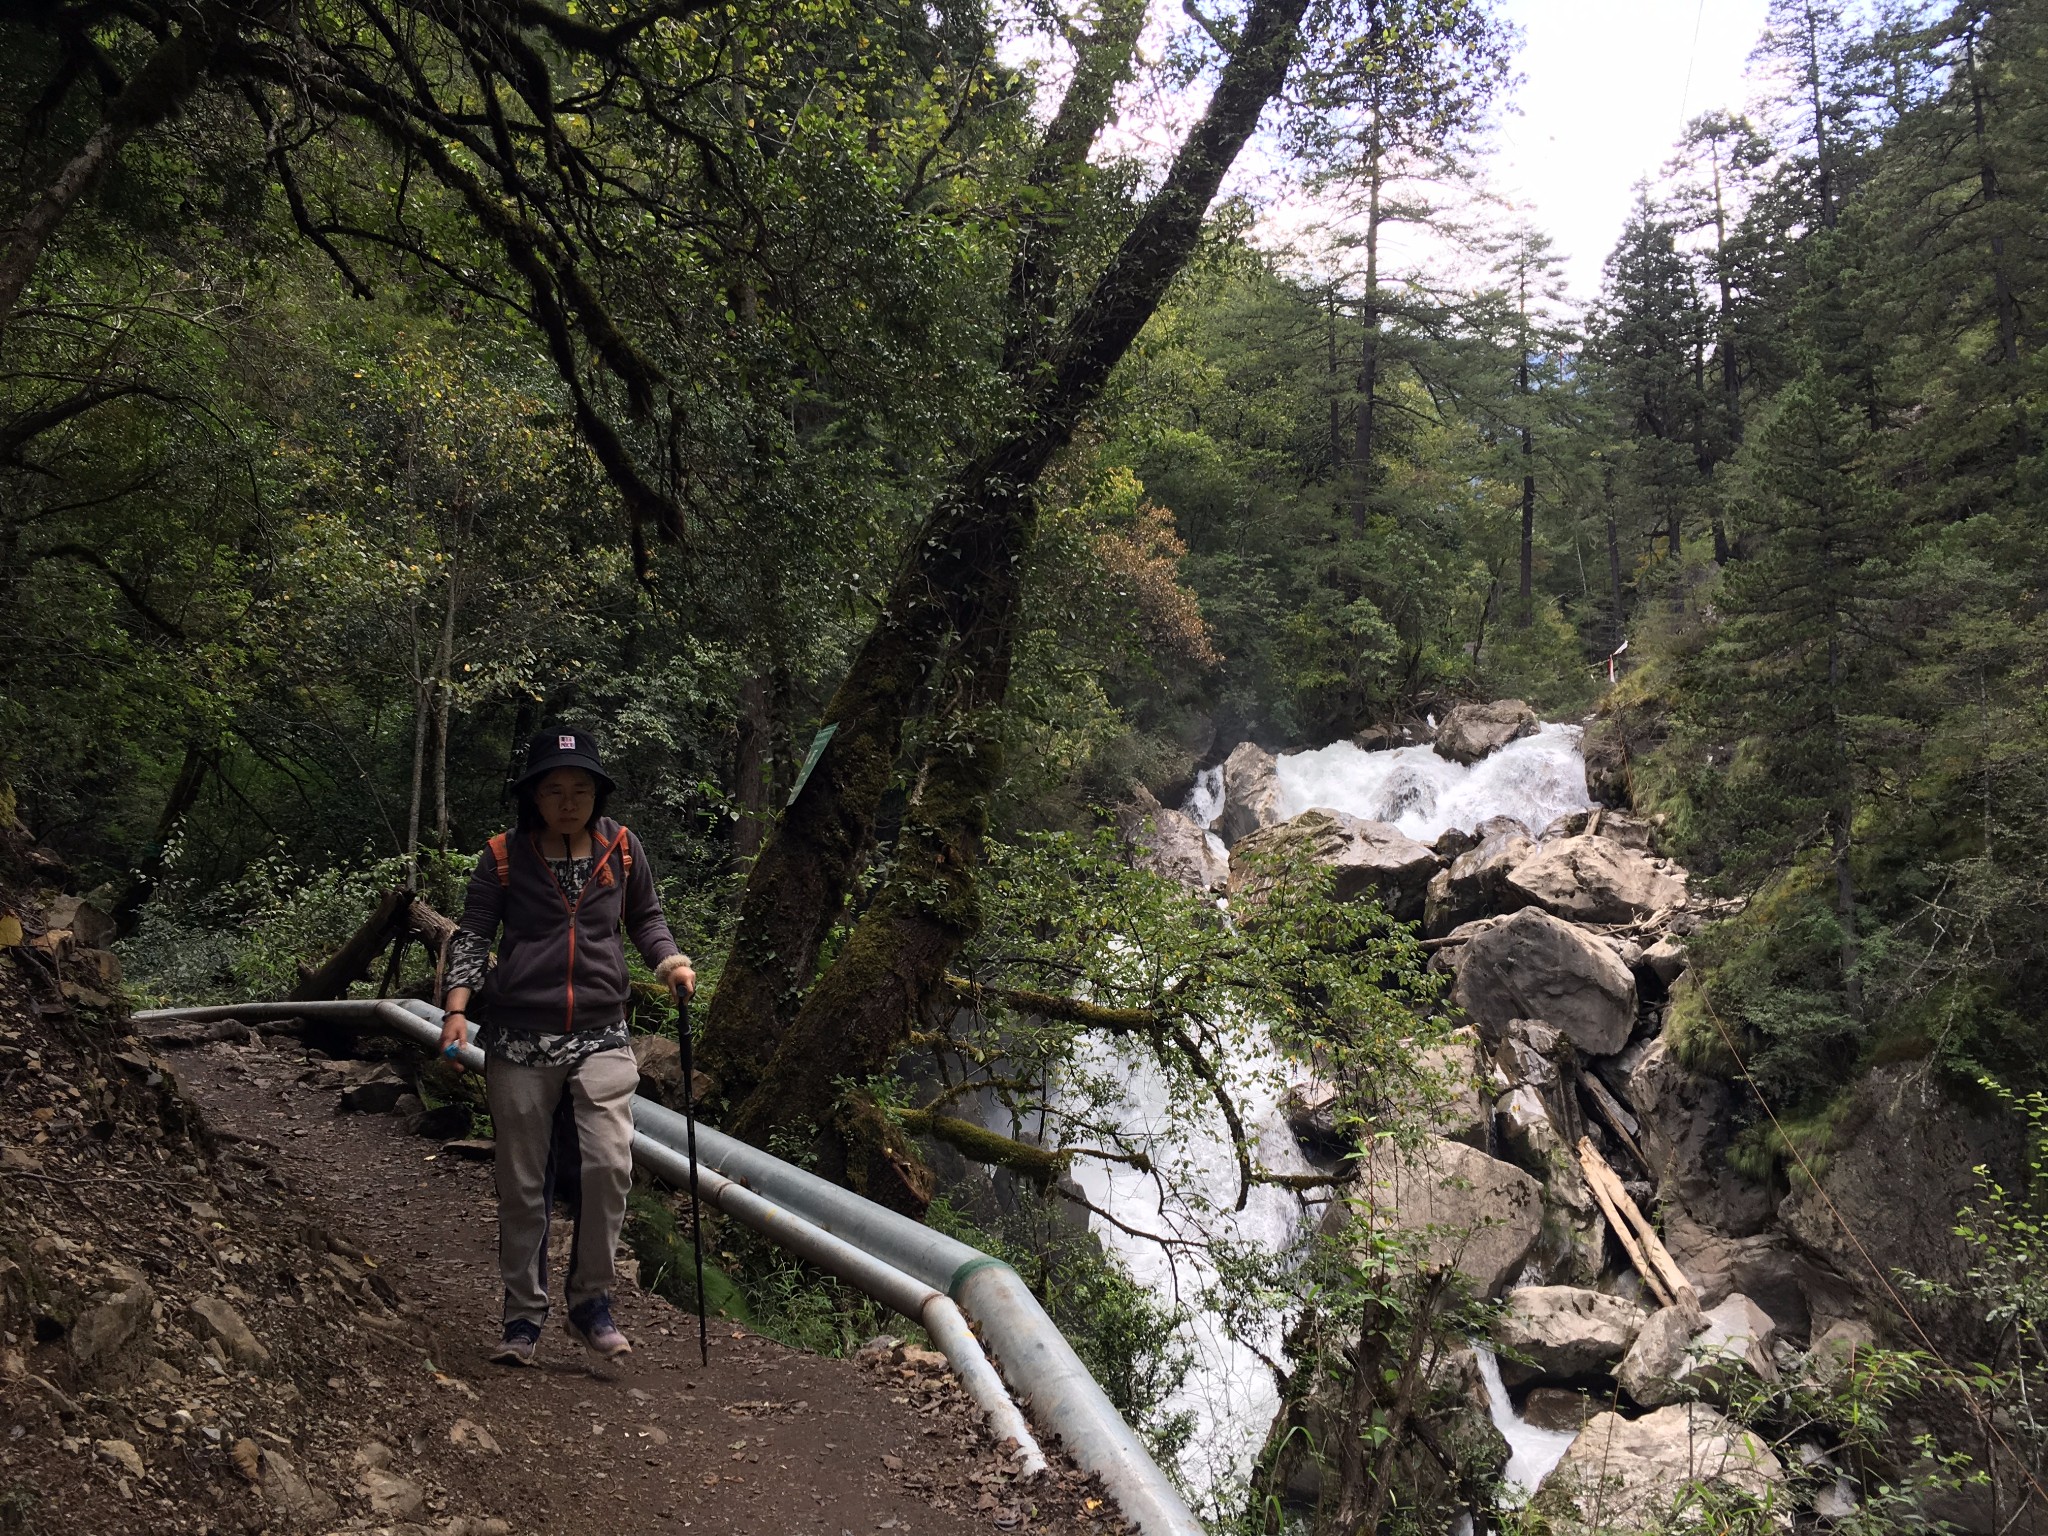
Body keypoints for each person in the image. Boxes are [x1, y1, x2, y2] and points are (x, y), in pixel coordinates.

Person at [439, 727, 695, 1366]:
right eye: (554, 789)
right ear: (534, 797)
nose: (569, 800)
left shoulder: (623, 848)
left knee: (609, 1164)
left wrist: (669, 962)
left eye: (581, 788)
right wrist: (455, 1009)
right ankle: (522, 1316)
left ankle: (591, 1304)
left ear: (598, 793)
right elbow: (472, 934)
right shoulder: (502, 856)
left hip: (603, 1031)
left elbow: (646, 919)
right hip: (520, 1036)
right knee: (522, 1181)